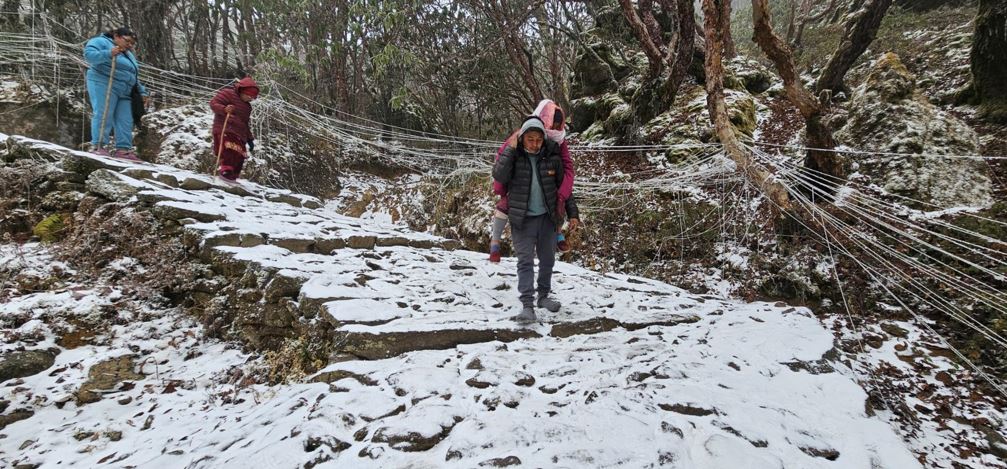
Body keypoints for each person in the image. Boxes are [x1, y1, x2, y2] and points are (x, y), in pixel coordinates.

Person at [492, 117, 575, 322]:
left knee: (548, 260)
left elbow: (564, 190)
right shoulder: (515, 157)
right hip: (522, 219)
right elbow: (499, 175)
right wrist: (510, 149)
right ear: (522, 139)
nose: (535, 144)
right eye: (530, 139)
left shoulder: (551, 158)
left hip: (547, 219)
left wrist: (573, 213)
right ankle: (527, 305)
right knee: (525, 262)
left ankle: (543, 296)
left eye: (538, 140)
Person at [489, 99, 577, 262]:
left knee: (554, 197)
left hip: (545, 186)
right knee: (503, 206)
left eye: (559, 126)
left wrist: (563, 193)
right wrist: (501, 189)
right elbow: (502, 159)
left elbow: (567, 168)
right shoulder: (522, 136)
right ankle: (495, 242)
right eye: (552, 125)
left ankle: (558, 233)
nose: (555, 130)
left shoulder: (559, 141)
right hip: (518, 187)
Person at [83, 26, 148, 159]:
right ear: (117, 36)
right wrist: (108, 53)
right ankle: (99, 146)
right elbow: (89, 56)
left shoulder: (128, 54)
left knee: (125, 119)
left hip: (125, 89)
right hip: (104, 82)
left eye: (132, 44)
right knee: (104, 113)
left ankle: (123, 149)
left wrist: (142, 91)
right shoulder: (100, 42)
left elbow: (132, 74)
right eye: (127, 41)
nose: (130, 45)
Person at [209, 77, 259, 182]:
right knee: (229, 149)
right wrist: (224, 109)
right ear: (242, 91)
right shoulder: (227, 93)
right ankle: (226, 171)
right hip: (226, 127)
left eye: (252, 98)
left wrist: (249, 139)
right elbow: (213, 104)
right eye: (249, 96)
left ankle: (233, 176)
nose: (250, 99)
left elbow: (245, 123)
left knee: (240, 155)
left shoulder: (247, 107)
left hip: (240, 133)